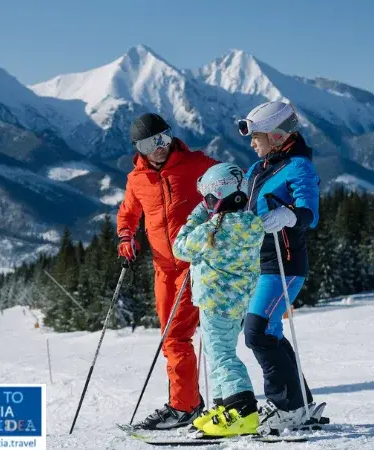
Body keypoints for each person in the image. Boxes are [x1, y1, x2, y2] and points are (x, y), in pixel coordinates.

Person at [118, 112, 219, 429]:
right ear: (139, 148)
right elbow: (129, 214)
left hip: (197, 265)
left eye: (162, 138)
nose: (158, 147)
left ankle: (184, 405)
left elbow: (233, 186)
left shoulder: (198, 165)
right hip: (164, 269)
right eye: (150, 143)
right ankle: (188, 402)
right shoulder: (137, 179)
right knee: (171, 338)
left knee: (182, 337)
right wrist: (126, 238)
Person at [237, 101, 323, 435]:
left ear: (276, 135)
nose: (252, 143)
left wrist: (289, 215)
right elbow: (241, 202)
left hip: (284, 264)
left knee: (257, 331)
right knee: (267, 331)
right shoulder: (259, 168)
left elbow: (309, 213)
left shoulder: (299, 167)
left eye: (256, 135)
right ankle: (299, 402)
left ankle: (286, 407)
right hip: (261, 263)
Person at [172, 163, 265, 437]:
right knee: (216, 353)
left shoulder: (210, 230)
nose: (206, 204)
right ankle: (223, 408)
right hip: (239, 302)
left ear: (216, 198)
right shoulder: (253, 225)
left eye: (208, 199)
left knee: (222, 356)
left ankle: (242, 411)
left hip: (214, 301)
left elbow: (180, 247)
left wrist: (199, 212)